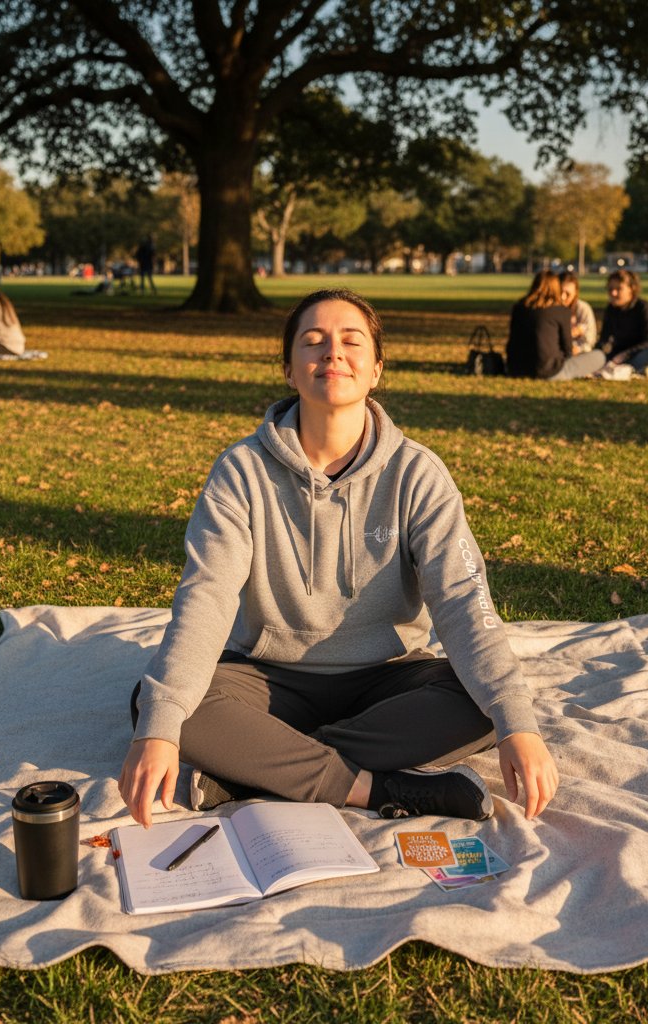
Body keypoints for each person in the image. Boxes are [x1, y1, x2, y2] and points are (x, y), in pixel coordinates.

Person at [119, 289, 560, 828]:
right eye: (313, 341)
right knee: (159, 704)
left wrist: (518, 724)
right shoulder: (241, 471)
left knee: (487, 705)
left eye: (351, 341)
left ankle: (250, 772)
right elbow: (205, 598)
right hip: (268, 679)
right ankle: (373, 790)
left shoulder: (418, 474)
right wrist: (163, 729)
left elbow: (464, 603)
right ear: (288, 369)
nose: (332, 353)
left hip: (389, 679)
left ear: (376, 369)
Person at [505, 270, 607, 380]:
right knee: (600, 356)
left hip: (515, 369)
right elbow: (567, 350)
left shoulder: (519, 308)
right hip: (548, 371)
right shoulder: (561, 311)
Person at [598, 269, 648, 376]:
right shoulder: (611, 310)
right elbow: (604, 339)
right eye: (610, 289)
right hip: (621, 357)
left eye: (619, 289)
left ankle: (628, 369)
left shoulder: (645, 308)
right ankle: (633, 370)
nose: (613, 293)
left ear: (631, 289)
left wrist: (625, 355)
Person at [558, 270, 597, 352]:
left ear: (575, 292)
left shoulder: (583, 309)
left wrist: (578, 349)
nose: (563, 297)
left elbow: (590, 341)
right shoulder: (550, 310)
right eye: (560, 292)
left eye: (568, 294)